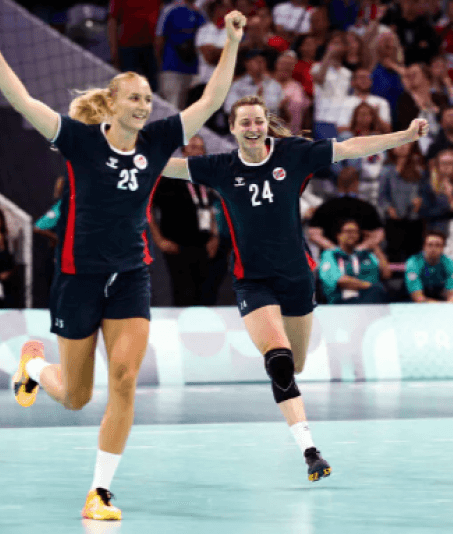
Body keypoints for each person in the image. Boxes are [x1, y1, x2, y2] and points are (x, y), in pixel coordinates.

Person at [0, 10, 246, 521]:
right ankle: (32, 366)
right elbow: (24, 101)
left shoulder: (159, 140)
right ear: (113, 104)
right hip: (78, 279)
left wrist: (231, 42)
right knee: (76, 396)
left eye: (147, 98)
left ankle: (99, 492)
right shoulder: (78, 139)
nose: (143, 104)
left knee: (124, 379)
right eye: (135, 97)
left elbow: (210, 101)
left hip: (130, 276)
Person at [161, 94, 428, 482]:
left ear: (265, 125)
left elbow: (353, 147)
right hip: (253, 281)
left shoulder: (294, 154)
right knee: (280, 360)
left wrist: (402, 137)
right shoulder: (219, 167)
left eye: (257, 121)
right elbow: (165, 167)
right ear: (232, 130)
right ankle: (310, 450)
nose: (252, 129)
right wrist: (110, 156)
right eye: (244, 123)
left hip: (297, 278)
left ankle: (294, 398)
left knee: (297, 362)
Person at [150, 135, 223, 306]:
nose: (196, 152)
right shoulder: (169, 177)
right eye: (191, 147)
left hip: (205, 246)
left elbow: (210, 208)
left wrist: (215, 235)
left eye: (199, 148)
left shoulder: (205, 179)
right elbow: (147, 206)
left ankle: (205, 333)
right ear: (183, 152)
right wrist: (158, 239)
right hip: (177, 246)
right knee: (183, 296)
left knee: (206, 297)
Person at [318, 218, 390, 304]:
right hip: (341, 306)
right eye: (348, 231)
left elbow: (386, 273)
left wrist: (375, 246)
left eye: (355, 232)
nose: (352, 235)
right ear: (338, 235)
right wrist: (371, 286)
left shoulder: (367, 255)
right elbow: (339, 280)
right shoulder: (330, 255)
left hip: (372, 303)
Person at [404, 230, 453, 303]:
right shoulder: (413, 262)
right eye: (430, 245)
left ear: (443, 248)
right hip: (412, 303)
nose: (433, 249)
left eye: (437, 245)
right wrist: (440, 305)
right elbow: (418, 298)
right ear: (424, 247)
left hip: (439, 298)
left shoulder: (449, 263)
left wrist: (451, 303)